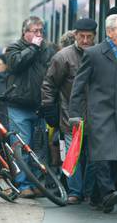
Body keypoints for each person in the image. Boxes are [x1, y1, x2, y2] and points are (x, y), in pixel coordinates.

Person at [68, 14, 117, 213]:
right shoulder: (94, 54)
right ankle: (108, 192)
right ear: (110, 32)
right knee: (102, 156)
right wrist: (75, 113)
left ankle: (99, 196)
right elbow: (78, 85)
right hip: (100, 113)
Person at [41, 18, 97, 205]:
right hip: (70, 115)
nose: (86, 40)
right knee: (73, 156)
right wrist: (49, 108)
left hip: (96, 116)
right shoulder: (63, 57)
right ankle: (75, 192)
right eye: (82, 36)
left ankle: (88, 191)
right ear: (75, 35)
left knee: (93, 157)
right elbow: (49, 85)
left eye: (89, 37)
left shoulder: (100, 55)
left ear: (95, 37)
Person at [5, 15, 53, 198]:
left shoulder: (47, 50)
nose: (39, 34)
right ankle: (23, 185)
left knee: (39, 148)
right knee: (21, 147)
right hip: (18, 106)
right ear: (25, 33)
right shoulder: (14, 48)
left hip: (39, 107)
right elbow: (16, 64)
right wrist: (33, 47)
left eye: (41, 31)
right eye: (35, 31)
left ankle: (38, 184)